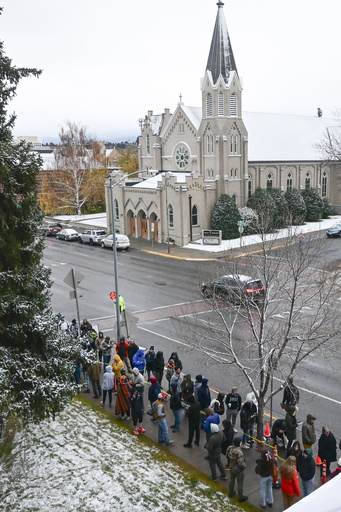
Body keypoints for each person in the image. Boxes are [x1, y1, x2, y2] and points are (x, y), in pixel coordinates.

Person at [226, 437, 248, 503]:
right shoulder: (239, 452)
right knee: (240, 483)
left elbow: (227, 455)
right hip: (239, 470)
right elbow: (240, 463)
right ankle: (240, 496)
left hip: (232, 467)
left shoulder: (229, 448)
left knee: (232, 480)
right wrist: (244, 465)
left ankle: (230, 492)